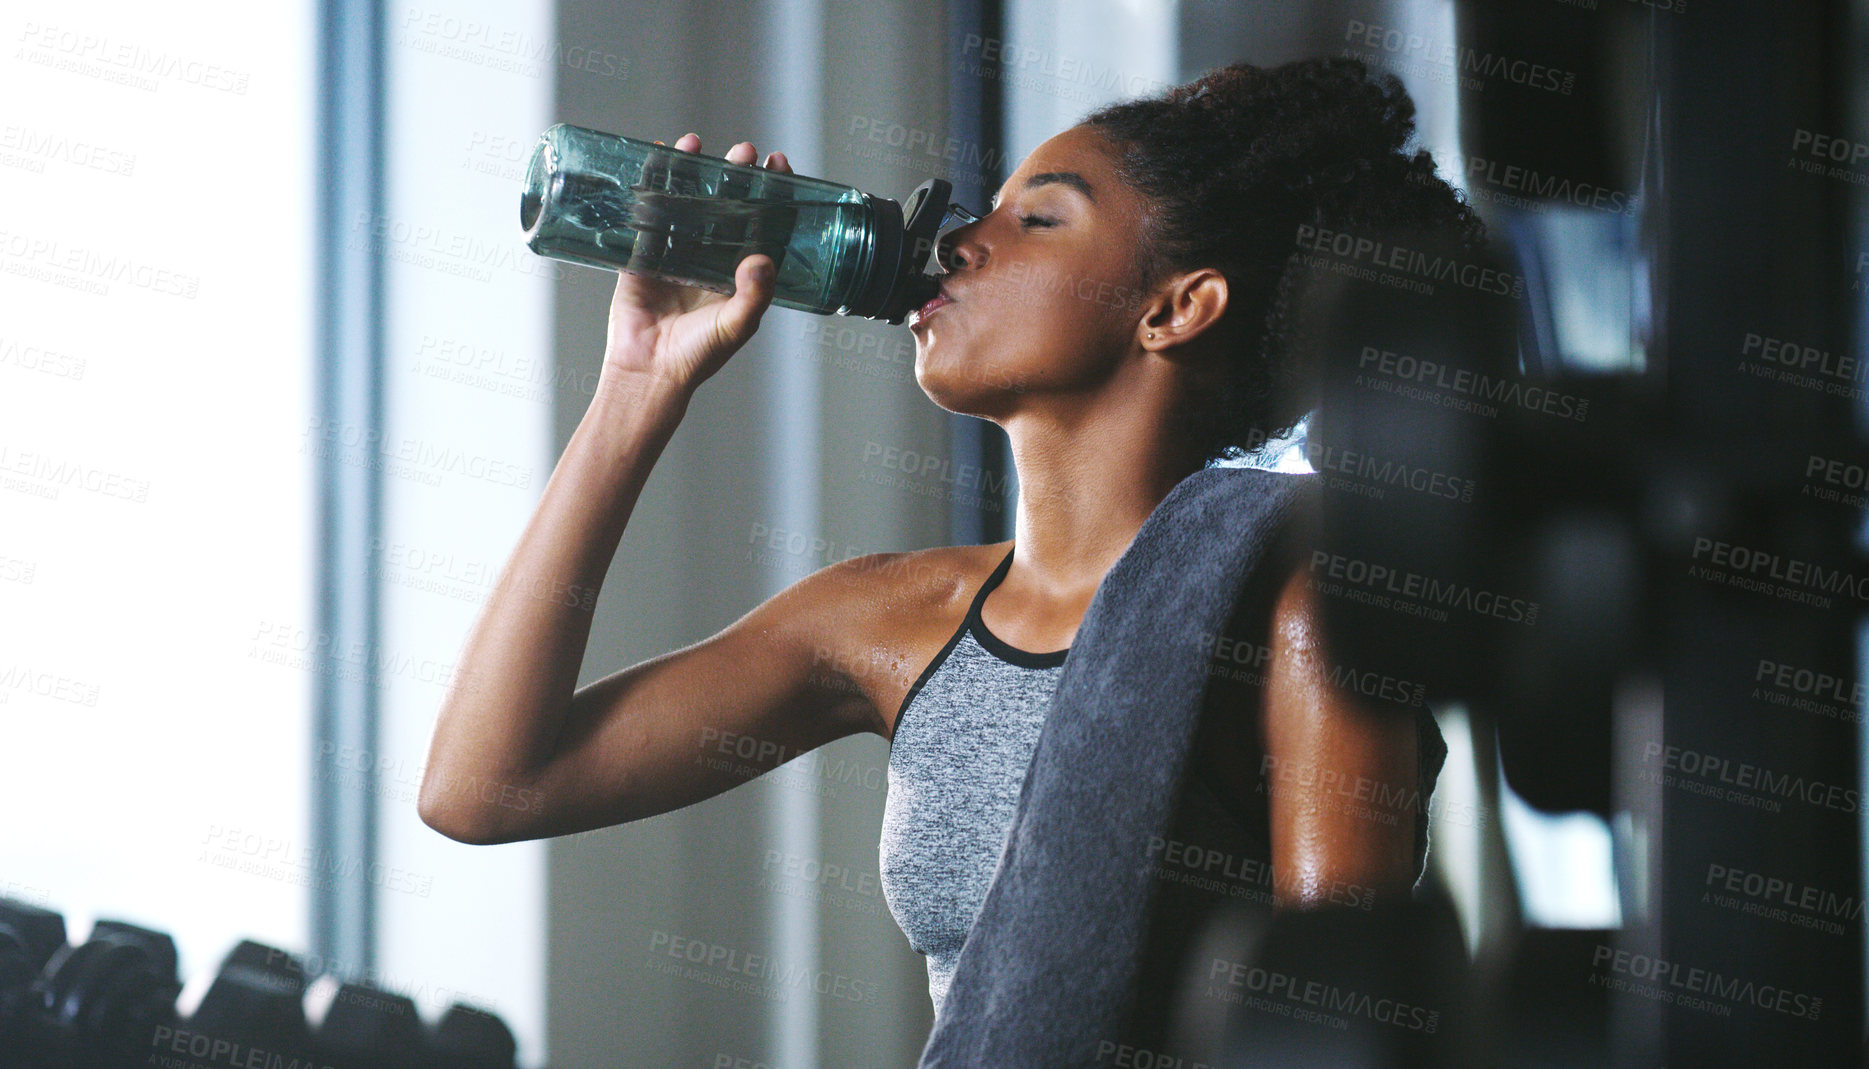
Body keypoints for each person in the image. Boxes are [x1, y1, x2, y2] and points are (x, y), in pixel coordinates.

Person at [418, 56, 1481, 1016]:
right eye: (987, 209)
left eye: (1040, 220)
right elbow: (486, 784)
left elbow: (1344, 1025)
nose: (960, 242)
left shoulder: (1289, 602)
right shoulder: (889, 618)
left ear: (1175, 308)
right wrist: (634, 388)